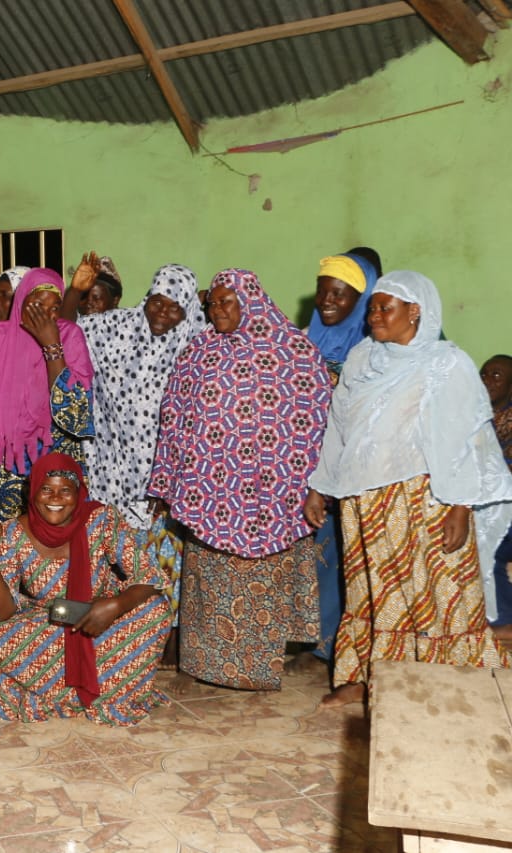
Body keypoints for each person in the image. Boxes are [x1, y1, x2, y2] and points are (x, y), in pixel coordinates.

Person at [307, 272, 512, 706]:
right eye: (373, 309)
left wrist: (459, 506)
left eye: (386, 308)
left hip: (424, 499)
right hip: (363, 499)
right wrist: (319, 487)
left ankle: (442, 682)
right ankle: (363, 679)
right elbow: (338, 430)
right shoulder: (363, 360)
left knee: (433, 592)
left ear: (415, 311)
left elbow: (467, 440)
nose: (375, 317)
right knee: (368, 590)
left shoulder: (446, 364)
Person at [149, 268, 329, 692]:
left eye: (227, 302)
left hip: (274, 496)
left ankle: (258, 668)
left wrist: (310, 482)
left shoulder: (294, 351)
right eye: (212, 303)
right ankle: (211, 665)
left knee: (261, 586)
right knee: (214, 582)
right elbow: (173, 417)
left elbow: (317, 417)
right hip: (213, 496)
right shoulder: (199, 351)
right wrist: (167, 480)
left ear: (250, 300)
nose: (217, 310)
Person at [71, 264, 205, 666]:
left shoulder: (196, 346)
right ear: (147, 297)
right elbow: (65, 333)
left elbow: (197, 420)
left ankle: (164, 643)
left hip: (166, 480)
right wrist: (73, 291)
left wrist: (170, 482)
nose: (163, 313)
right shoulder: (113, 329)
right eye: (157, 302)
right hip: (113, 474)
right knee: (119, 559)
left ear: (187, 311)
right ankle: (116, 641)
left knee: (167, 563)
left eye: (175, 308)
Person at [0, 453, 171, 724]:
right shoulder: (12, 533)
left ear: (79, 494)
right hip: (50, 621)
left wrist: (115, 606)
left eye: (65, 491)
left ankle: (60, 693)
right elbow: (1, 612)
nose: (55, 499)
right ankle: (103, 690)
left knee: (156, 609)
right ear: (33, 492)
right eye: (46, 489)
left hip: (98, 617)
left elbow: (150, 575)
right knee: (0, 637)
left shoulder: (100, 520)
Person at [0, 267, 93, 523]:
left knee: (60, 549)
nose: (45, 315)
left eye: (54, 307)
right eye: (36, 305)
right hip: (7, 468)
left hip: (58, 469)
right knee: (10, 552)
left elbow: (75, 416)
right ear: (21, 303)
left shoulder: (70, 337)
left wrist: (52, 347)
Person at [301, 253, 375, 669]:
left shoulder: (373, 349)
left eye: (339, 295)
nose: (327, 302)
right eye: (322, 292)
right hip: (316, 470)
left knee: (355, 564)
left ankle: (354, 654)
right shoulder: (309, 338)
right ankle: (320, 646)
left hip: (359, 471)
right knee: (321, 562)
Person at [481, 354, 512, 641]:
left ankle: (505, 621)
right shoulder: (476, 419)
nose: (488, 381)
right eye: (485, 374)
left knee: (487, 544)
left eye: (497, 376)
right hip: (489, 506)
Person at [60, 252, 123, 320]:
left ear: (115, 300)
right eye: (83, 297)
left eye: (96, 298)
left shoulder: (126, 324)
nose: (88, 303)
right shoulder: (76, 324)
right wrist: (74, 290)